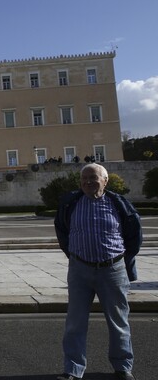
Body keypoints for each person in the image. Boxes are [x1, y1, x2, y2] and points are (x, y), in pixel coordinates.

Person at [54, 163, 142, 380]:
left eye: (93, 178)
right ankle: (73, 369)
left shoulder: (118, 203)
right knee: (75, 322)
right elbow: (62, 232)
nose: (88, 182)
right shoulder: (70, 203)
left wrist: (120, 260)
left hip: (112, 269)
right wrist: (76, 255)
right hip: (79, 269)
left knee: (118, 321)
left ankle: (123, 367)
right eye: (84, 179)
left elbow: (134, 237)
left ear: (105, 181)